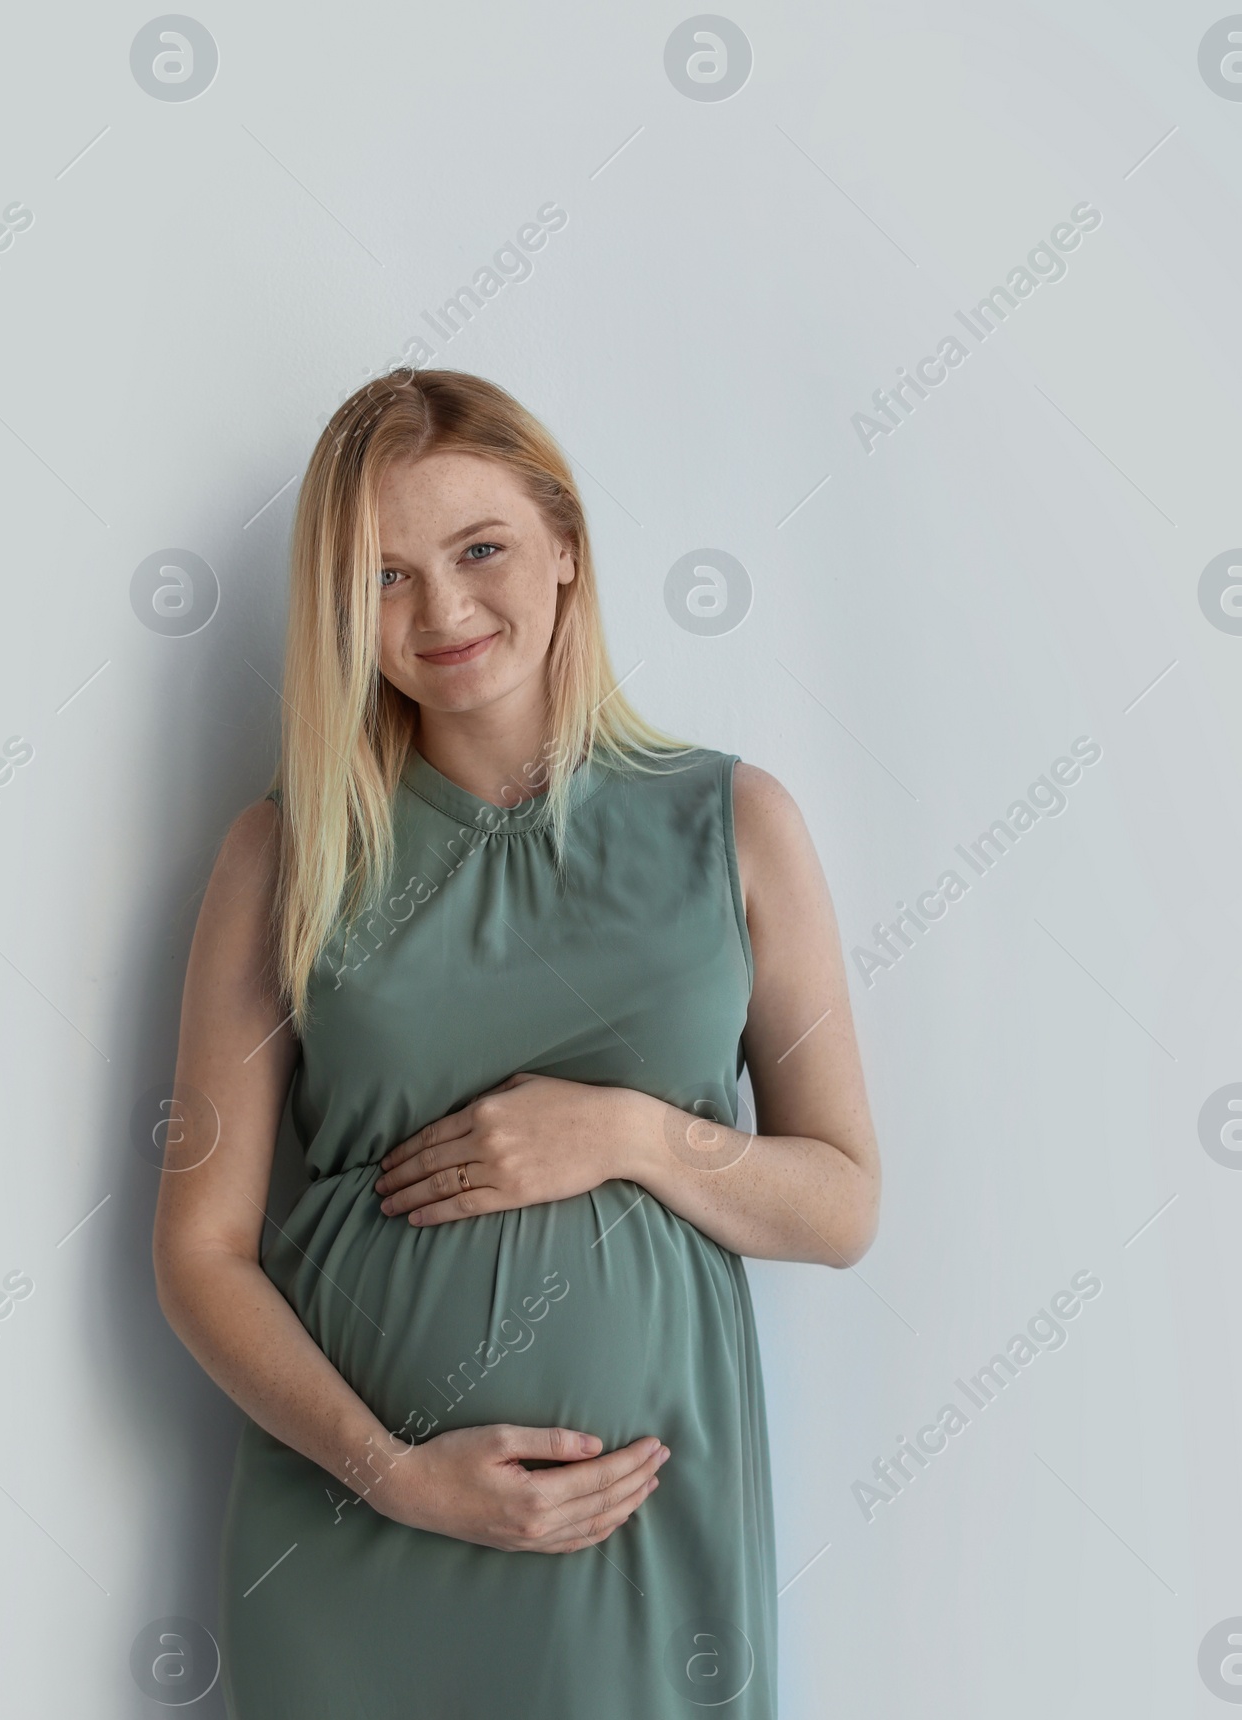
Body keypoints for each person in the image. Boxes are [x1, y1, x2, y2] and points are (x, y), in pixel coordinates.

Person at [152, 368, 880, 1718]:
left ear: (564, 546)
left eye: (478, 549)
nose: (442, 610)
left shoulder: (734, 825)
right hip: (358, 1541)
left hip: (638, 1542)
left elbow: (840, 1205)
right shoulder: (287, 855)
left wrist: (632, 1133)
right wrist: (394, 1473)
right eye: (382, 576)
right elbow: (199, 1253)